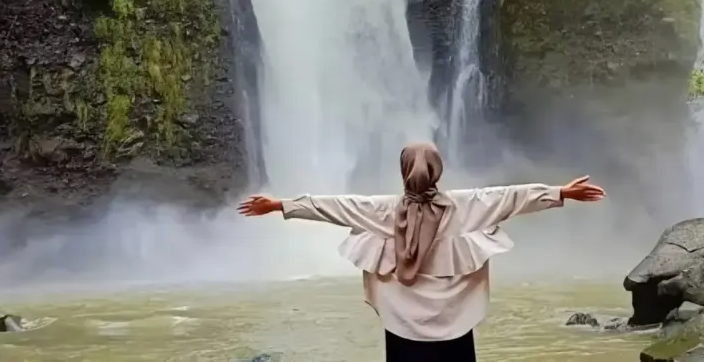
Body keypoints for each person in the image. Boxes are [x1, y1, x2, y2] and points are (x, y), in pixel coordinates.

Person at [238, 141, 605, 361]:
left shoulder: (382, 210)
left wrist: (280, 205)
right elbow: (510, 197)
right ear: (438, 171)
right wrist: (559, 192)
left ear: (402, 171)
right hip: (454, 318)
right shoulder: (464, 205)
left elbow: (333, 205)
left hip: (404, 322)